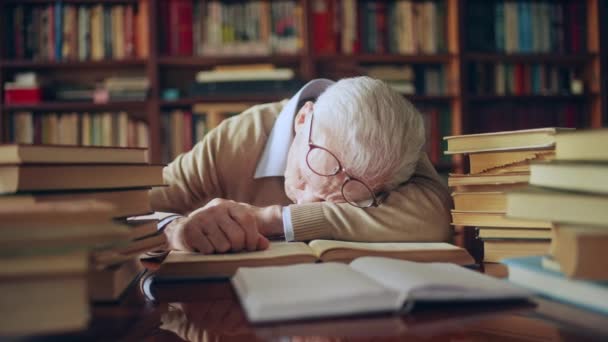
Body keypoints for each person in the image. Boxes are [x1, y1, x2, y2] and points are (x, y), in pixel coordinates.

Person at [150, 77, 452, 254]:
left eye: (338, 199)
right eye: (307, 178)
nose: (304, 201)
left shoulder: (391, 144)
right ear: (303, 119)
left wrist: (275, 218)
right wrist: (175, 229)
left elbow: (435, 218)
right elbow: (124, 207)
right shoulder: (239, 138)